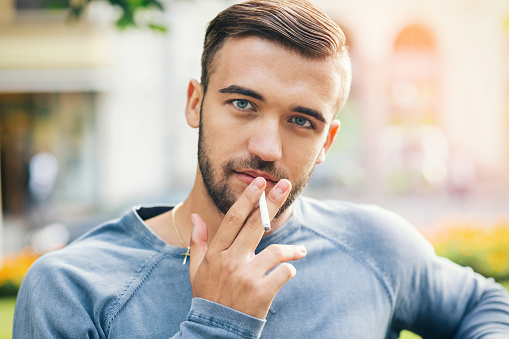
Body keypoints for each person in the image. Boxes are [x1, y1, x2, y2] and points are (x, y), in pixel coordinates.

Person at [13, 0, 509, 338]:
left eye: (301, 120)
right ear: (195, 103)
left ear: (326, 143)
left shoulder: (375, 248)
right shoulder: (70, 289)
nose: (267, 147)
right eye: (244, 104)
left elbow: (486, 305)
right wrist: (217, 321)